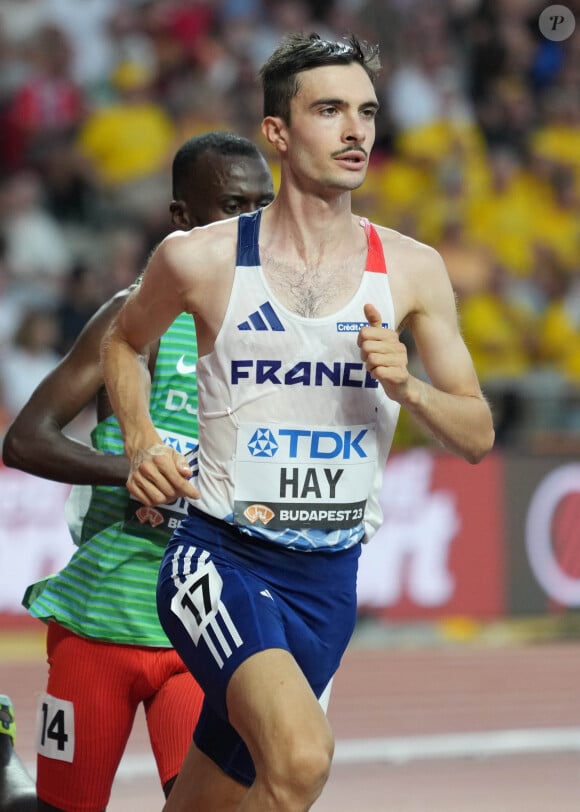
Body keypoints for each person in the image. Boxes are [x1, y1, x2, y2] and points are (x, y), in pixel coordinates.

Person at [101, 33, 495, 812]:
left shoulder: (413, 269)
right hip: (220, 557)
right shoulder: (200, 259)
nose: (356, 131)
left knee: (217, 800)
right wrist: (142, 439)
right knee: (303, 759)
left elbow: (477, 432)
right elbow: (122, 339)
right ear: (278, 133)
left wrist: (408, 386)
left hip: (328, 582)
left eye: (367, 112)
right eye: (330, 110)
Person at [1, 131, 275, 812]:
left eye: (264, 205)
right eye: (233, 205)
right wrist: (130, 469)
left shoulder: (280, 334)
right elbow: (25, 440)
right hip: (103, 618)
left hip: (203, 623)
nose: (254, 225)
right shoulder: (132, 319)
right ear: (182, 216)